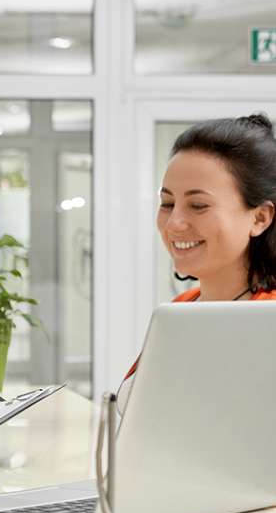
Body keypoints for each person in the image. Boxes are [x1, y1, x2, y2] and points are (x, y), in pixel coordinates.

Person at [118, 113, 276, 413]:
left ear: (259, 218)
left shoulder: (269, 321)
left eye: (198, 205)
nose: (174, 224)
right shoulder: (181, 308)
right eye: (167, 203)